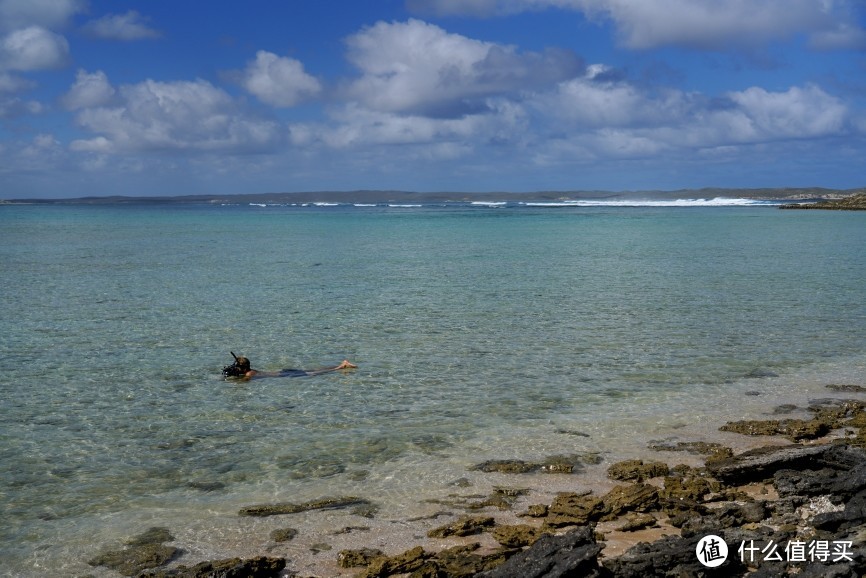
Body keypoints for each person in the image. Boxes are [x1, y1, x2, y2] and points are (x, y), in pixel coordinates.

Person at [223, 353, 356, 380]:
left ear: (243, 368)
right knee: (312, 370)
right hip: (282, 372)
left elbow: (241, 381)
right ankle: (342, 364)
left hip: (286, 375)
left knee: (315, 373)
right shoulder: (250, 371)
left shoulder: (248, 375)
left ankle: (340, 367)